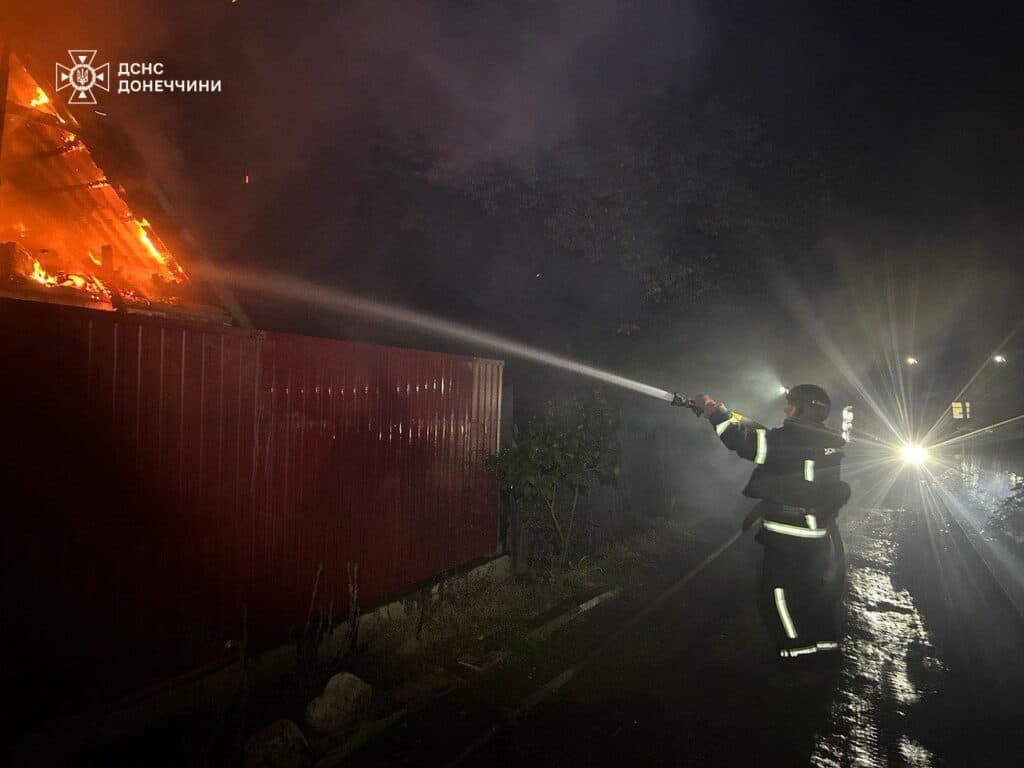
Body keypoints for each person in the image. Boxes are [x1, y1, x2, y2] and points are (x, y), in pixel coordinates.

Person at [692, 385, 851, 662]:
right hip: (816, 534)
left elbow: (746, 443)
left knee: (776, 594)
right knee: (812, 592)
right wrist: (728, 414)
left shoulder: (791, 439)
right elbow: (775, 446)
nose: (786, 409)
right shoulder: (826, 439)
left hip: (788, 535)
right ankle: (825, 648)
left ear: (806, 408)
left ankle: (796, 652)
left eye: (791, 405)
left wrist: (713, 412)